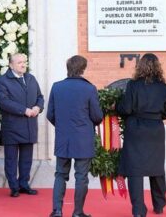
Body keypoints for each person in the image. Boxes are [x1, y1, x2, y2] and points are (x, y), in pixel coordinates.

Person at [116, 53, 166, 217]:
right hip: (155, 130)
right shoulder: (163, 87)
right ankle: (159, 204)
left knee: (135, 170)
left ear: (140, 66)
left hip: (135, 130)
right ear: (158, 67)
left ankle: (139, 210)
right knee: (157, 168)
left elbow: (126, 108)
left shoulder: (133, 85)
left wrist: (117, 106)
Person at [47, 55, 103, 217]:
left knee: (60, 174)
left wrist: (63, 126)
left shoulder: (57, 87)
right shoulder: (89, 88)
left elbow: (50, 114)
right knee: (81, 177)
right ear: (82, 69)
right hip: (83, 139)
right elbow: (97, 116)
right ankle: (78, 212)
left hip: (63, 138)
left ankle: (57, 211)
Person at [0, 53, 44, 197]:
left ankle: (24, 184)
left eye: (25, 62)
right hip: (12, 126)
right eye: (19, 62)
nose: (23, 65)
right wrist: (24, 110)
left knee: (26, 158)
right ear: (11, 65)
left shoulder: (31, 78)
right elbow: (4, 102)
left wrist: (37, 107)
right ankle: (14, 186)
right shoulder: (3, 81)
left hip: (29, 126)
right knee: (11, 159)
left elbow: (40, 97)